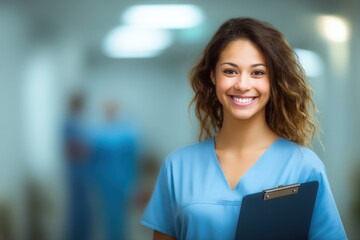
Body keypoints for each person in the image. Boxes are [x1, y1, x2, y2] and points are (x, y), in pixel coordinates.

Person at [141, 17, 347, 240]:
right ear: (213, 76)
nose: (242, 84)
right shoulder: (178, 167)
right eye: (230, 71)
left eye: (258, 72)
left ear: (273, 80)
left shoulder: (303, 166)